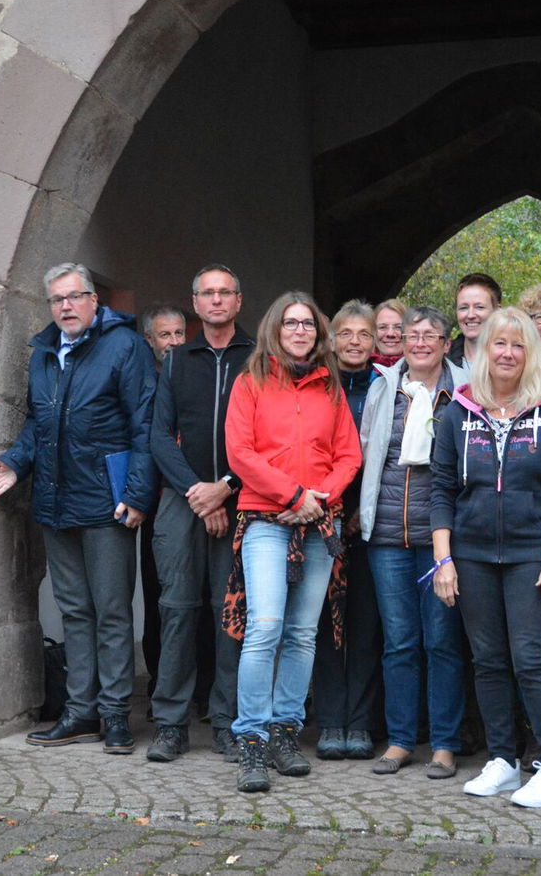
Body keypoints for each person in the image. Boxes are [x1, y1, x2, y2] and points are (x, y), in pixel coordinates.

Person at [0, 262, 156, 756]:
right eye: (57, 300)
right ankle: (81, 713)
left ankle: (116, 714)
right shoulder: (43, 353)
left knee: (113, 612)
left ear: (94, 300)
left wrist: (138, 494)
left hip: (108, 502)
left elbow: (145, 425)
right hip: (57, 501)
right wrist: (15, 464)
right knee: (75, 611)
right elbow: (39, 424)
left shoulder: (126, 347)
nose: (65, 307)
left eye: (75, 297)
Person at [430, 307, 541, 808]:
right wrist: (443, 558)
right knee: (489, 660)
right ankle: (501, 760)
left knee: (529, 659)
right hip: (470, 554)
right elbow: (440, 489)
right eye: (500, 343)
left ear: (531, 353)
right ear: (484, 349)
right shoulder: (459, 410)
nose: (508, 353)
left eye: (519, 345)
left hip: (531, 553)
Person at [222, 292, 361, 792]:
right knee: (265, 628)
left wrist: (319, 500)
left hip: (320, 523)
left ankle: (285, 731)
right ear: (274, 330)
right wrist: (294, 494)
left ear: (318, 334)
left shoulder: (331, 388)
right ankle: (252, 739)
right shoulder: (250, 382)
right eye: (290, 323)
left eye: (307, 324)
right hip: (266, 519)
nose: (300, 331)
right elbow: (240, 453)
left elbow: (349, 454)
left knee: (302, 633)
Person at [146, 267, 254, 762]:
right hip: (181, 501)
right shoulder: (176, 360)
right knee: (177, 611)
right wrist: (198, 492)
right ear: (195, 302)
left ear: (237, 301)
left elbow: (265, 437)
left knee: (230, 615)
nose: (215, 301)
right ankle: (171, 722)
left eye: (223, 293)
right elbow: (158, 435)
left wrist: (224, 489)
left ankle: (229, 721)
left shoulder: (259, 358)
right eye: (206, 293)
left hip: (242, 498)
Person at [358, 305, 468, 779]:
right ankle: (401, 739)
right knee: (400, 642)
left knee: (443, 641)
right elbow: (366, 452)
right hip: (386, 535)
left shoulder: (466, 389)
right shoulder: (383, 387)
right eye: (412, 335)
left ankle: (444, 743)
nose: (420, 343)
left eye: (431, 335)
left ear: (447, 343)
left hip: (442, 538)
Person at [312, 300, 383, 761]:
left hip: (370, 524)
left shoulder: (386, 387)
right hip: (320, 519)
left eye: (364, 334)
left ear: (375, 342)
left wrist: (362, 511)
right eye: (346, 333)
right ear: (332, 340)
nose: (355, 342)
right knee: (320, 625)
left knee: (365, 625)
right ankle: (329, 721)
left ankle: (359, 723)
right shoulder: (316, 386)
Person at [138, 303, 188, 716]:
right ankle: (160, 686)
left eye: (178, 334)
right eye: (164, 335)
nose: (172, 342)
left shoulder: (193, 376)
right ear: (150, 342)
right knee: (160, 599)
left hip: (199, 497)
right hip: (155, 505)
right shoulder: (144, 384)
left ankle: (201, 688)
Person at [447, 273, 501, 366]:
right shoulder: (442, 362)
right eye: (463, 308)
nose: (470, 315)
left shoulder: (511, 361)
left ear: (497, 311)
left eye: (479, 307)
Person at [373, 298, 408, 367]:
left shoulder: (423, 370)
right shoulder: (357, 370)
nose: (390, 334)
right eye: (382, 327)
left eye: (398, 327)